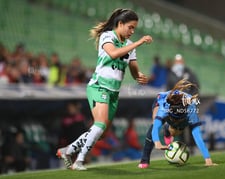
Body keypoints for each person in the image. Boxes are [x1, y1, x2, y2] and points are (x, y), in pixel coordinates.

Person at [56, 8, 153, 170]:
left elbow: (134, 70)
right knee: (99, 125)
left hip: (114, 92)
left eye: (134, 28)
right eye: (130, 27)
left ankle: (67, 150)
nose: (132, 31)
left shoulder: (129, 46)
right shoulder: (107, 36)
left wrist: (140, 76)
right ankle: (78, 161)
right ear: (120, 24)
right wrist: (139, 42)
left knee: (102, 133)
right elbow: (113, 54)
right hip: (99, 86)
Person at [138, 79, 217, 169]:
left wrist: (208, 159)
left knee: (176, 132)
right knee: (154, 123)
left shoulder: (191, 110)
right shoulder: (164, 108)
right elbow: (155, 128)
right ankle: (144, 159)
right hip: (160, 100)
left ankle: (168, 129)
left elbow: (197, 135)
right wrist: (157, 143)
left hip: (181, 116)